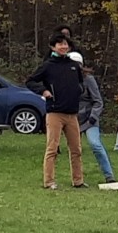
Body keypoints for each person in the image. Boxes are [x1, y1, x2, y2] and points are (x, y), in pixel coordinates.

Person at [26, 36, 85, 190]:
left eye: (65, 44)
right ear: (53, 47)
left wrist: (79, 91)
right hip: (55, 113)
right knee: (52, 148)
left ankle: (78, 180)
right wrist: (43, 91)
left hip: (72, 113)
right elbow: (30, 81)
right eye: (60, 44)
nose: (63, 46)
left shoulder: (74, 66)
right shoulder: (48, 66)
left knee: (76, 149)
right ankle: (49, 181)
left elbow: (80, 83)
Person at [73, 53, 117, 184]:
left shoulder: (89, 79)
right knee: (75, 150)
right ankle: (77, 179)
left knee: (95, 145)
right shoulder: (66, 80)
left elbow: (98, 101)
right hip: (74, 119)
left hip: (89, 118)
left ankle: (109, 175)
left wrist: (93, 116)